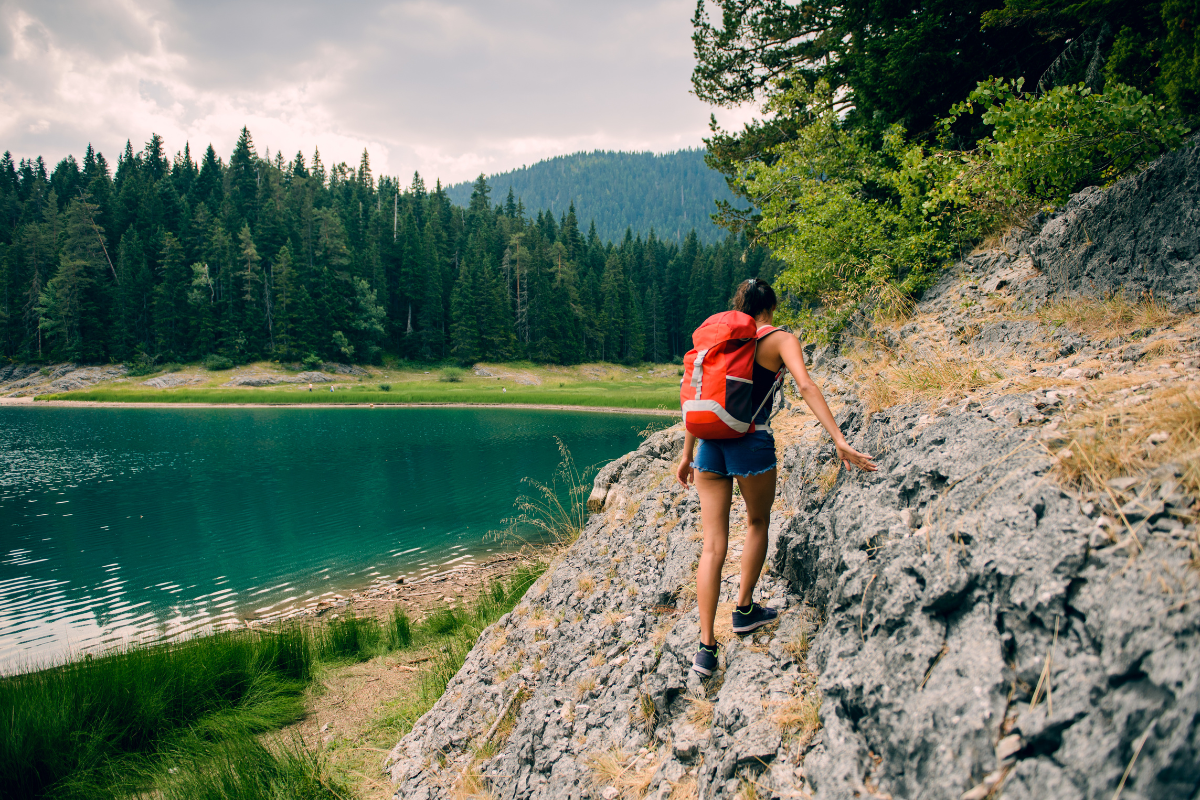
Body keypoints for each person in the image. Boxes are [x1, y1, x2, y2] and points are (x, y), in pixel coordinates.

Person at [676, 277, 877, 676]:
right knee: (757, 521)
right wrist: (838, 438)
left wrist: (686, 455)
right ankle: (745, 609)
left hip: (708, 446)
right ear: (770, 308)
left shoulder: (718, 340)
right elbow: (804, 384)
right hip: (751, 442)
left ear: (739, 305)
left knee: (713, 546)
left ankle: (705, 648)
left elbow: (700, 396)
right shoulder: (780, 339)